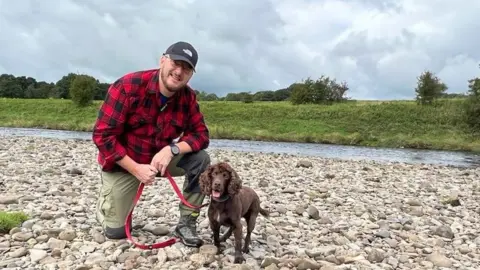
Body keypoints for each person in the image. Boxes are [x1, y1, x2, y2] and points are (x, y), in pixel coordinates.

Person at [91, 41, 211, 248]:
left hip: (159, 160)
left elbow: (201, 135)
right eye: (176, 63)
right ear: (163, 60)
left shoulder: (188, 97)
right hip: (123, 163)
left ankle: (187, 223)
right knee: (115, 232)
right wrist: (136, 169)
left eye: (187, 68)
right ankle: (105, 207)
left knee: (200, 159)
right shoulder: (127, 87)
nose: (179, 71)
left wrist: (172, 149)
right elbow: (103, 136)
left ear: (191, 74)